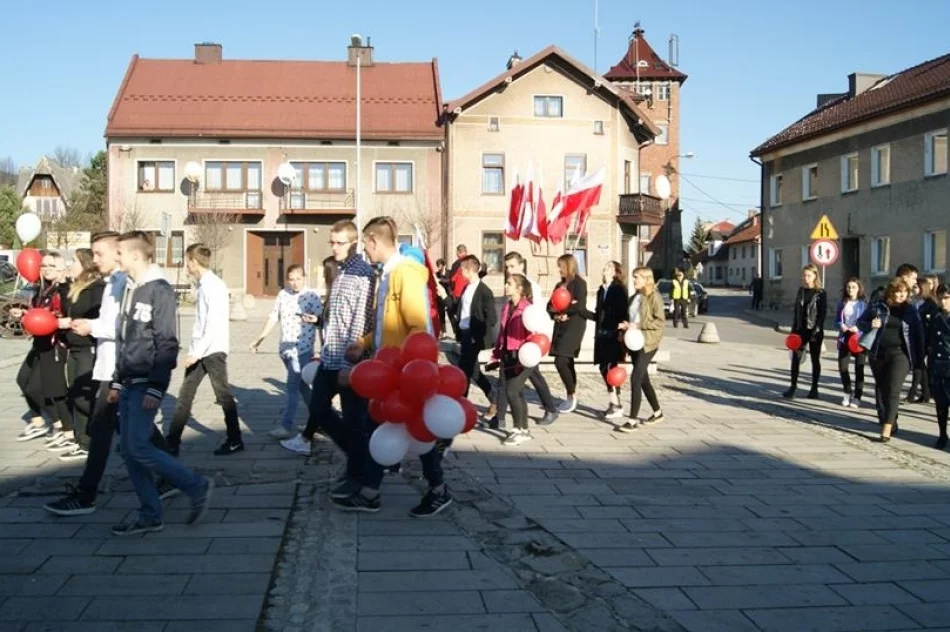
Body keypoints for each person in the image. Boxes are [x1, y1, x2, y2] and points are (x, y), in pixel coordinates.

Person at [44, 232, 177, 517]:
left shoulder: (131, 284)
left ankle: (86, 494)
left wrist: (90, 328)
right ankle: (174, 476)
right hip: (112, 368)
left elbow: (124, 328)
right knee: (133, 432)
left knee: (102, 431)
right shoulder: (117, 282)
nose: (94, 260)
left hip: (120, 369)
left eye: (99, 254)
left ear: (118, 252)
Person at [333, 216, 452, 518]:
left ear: (373, 241)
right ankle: (370, 493)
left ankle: (437, 490)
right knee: (380, 427)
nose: (364, 252)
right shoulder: (386, 275)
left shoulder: (404, 274)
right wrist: (364, 341)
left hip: (407, 372)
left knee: (421, 433)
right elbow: (390, 324)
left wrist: (403, 369)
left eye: (364, 246)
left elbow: (417, 326)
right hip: (392, 369)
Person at [108, 231, 213, 535]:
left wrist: (156, 386)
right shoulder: (129, 287)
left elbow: (167, 343)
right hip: (128, 382)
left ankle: (196, 485)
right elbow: (124, 339)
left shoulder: (159, 291)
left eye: (120, 253)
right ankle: (151, 514)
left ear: (136, 256)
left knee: (139, 447)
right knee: (129, 450)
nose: (117, 258)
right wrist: (117, 381)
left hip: (145, 383)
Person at [280, 220, 376, 497]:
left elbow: (360, 321)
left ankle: (357, 475)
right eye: (331, 242)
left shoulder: (363, 274)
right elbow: (335, 316)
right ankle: (358, 459)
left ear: (353, 242)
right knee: (319, 409)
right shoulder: (341, 271)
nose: (334, 247)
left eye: (339, 242)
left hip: (349, 361)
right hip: (330, 356)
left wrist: (350, 365)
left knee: (354, 421)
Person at [165, 244, 243, 456]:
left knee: (223, 395)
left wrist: (195, 353)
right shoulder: (204, 285)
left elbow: (212, 324)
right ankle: (172, 441)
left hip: (213, 351)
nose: (186, 265)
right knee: (185, 395)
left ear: (193, 261)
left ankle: (235, 439)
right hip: (201, 350)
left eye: (187, 261)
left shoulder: (213, 286)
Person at [484, 252, 558, 429]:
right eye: (507, 267)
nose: (509, 270)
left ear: (521, 266)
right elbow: (505, 324)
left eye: (512, 266)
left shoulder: (529, 286)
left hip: (527, 345)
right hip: (512, 345)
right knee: (506, 380)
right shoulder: (510, 296)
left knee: (524, 382)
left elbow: (536, 315)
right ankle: (501, 418)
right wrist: (497, 351)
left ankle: (548, 409)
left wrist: (536, 342)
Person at [249, 264, 322, 439]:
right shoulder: (283, 295)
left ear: (304, 278)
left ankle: (285, 426)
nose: (295, 283)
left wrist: (323, 346)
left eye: (298, 279)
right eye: (291, 279)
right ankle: (321, 419)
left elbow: (322, 321)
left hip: (302, 349)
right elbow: (274, 317)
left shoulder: (311, 296)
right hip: (285, 349)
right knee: (303, 387)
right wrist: (260, 338)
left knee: (291, 388)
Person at [14, 251, 72, 443]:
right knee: (23, 379)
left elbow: (60, 315)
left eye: (51, 266)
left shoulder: (64, 289)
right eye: (43, 266)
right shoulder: (42, 288)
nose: (46, 269)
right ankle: (39, 422)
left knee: (47, 388)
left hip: (55, 344)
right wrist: (23, 314)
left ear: (61, 268)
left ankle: (62, 427)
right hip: (39, 341)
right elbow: (37, 314)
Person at [858, 276, 924, 442]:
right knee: (884, 391)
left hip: (900, 354)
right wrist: (871, 325)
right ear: (890, 292)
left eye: (903, 293)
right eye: (897, 292)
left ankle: (886, 429)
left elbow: (918, 335)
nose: (900, 296)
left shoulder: (910, 310)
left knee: (894, 390)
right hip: (878, 354)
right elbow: (861, 322)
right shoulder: (878, 306)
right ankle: (892, 421)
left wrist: (919, 361)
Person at [56, 249, 105, 462]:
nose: (69, 264)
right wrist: (63, 283)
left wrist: (76, 320)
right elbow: (69, 308)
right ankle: (82, 440)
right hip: (74, 347)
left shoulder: (97, 288)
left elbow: (90, 312)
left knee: (84, 397)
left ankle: (96, 436)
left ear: (85, 265)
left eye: (73, 261)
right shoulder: (74, 286)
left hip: (88, 347)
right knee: (75, 394)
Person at [616, 267, 666, 432]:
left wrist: (637, 325)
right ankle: (657, 412)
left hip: (649, 343)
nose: (634, 280)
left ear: (646, 279)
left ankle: (632, 421)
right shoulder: (634, 297)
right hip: (634, 342)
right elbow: (630, 318)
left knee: (636, 378)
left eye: (637, 277)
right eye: (633, 277)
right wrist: (625, 327)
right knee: (644, 380)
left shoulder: (654, 297)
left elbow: (659, 322)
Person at [490, 274, 536, 446]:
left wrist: (528, 354)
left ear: (519, 288)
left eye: (509, 283)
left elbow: (533, 333)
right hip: (508, 353)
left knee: (511, 391)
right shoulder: (507, 306)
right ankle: (524, 429)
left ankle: (518, 429)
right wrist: (496, 354)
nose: (506, 285)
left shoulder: (527, 309)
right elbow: (502, 333)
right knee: (518, 392)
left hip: (524, 355)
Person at [582, 262, 629, 419]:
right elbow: (598, 315)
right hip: (602, 334)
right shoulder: (601, 290)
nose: (605, 269)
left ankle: (616, 404)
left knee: (610, 367)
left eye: (609, 267)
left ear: (615, 272)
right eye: (605, 266)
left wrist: (622, 332)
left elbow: (623, 312)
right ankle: (614, 402)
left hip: (614, 333)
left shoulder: (619, 289)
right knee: (603, 367)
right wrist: (580, 311)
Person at [446, 255, 495, 401]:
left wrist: (477, 336)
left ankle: (462, 402)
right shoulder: (467, 288)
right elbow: (458, 309)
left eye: (462, 270)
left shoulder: (484, 291)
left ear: (469, 270)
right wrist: (443, 296)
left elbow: (491, 318)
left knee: (464, 370)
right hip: (465, 334)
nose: (460, 273)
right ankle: (493, 398)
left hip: (474, 337)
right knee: (472, 371)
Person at [549, 254, 588, 412]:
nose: (559, 269)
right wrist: (555, 313)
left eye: (561, 266)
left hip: (574, 327)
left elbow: (580, 306)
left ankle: (571, 394)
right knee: (566, 361)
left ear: (568, 266)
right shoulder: (560, 284)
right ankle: (570, 395)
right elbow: (550, 305)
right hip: (560, 326)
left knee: (561, 360)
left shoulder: (579, 283)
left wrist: (566, 311)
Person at [783, 264, 827, 400]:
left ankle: (814, 388)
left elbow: (822, 314)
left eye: (809, 275)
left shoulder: (820, 293)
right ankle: (793, 387)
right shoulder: (800, 291)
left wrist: (817, 330)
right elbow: (796, 311)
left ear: (815, 276)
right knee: (795, 358)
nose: (805, 278)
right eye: (804, 275)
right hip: (800, 329)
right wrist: (793, 330)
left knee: (815, 359)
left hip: (814, 330)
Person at [907, 275, 941, 404]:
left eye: (915, 287)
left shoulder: (930, 304)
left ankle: (912, 393)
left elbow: (933, 324)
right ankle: (925, 393)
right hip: (916, 337)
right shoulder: (916, 302)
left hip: (926, 339)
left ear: (922, 288)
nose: (913, 289)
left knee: (918, 366)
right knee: (920, 366)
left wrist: (931, 342)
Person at [834, 277, 867, 409]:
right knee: (843, 367)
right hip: (845, 336)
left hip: (858, 337)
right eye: (848, 287)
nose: (850, 289)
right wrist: (841, 325)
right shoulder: (843, 303)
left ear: (858, 289)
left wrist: (858, 328)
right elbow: (837, 319)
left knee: (859, 368)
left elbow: (867, 321)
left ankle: (857, 397)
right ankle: (847, 392)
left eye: (853, 287)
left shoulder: (863, 303)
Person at [929, 284, 950, 449]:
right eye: (941, 298)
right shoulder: (935, 318)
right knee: (941, 404)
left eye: (947, 298)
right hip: (938, 365)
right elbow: (931, 342)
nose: (943, 301)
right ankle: (942, 434)